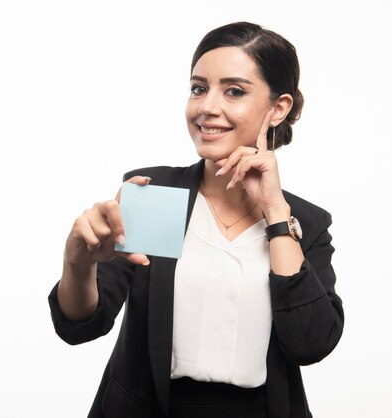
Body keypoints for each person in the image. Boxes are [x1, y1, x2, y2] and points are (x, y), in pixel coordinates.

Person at [48, 21, 344, 418]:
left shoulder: (303, 222)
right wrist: (77, 264)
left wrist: (276, 215)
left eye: (234, 91)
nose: (206, 107)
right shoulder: (156, 195)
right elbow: (81, 326)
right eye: (199, 88)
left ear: (278, 108)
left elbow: (311, 344)